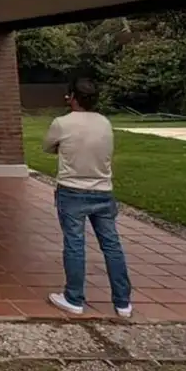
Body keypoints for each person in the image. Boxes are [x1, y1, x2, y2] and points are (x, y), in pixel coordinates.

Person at [41, 77, 133, 318]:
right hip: (103, 189)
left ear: (72, 97)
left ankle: (74, 298)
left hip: (72, 189)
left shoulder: (62, 123)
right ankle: (123, 302)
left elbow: (47, 147)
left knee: (74, 244)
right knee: (111, 245)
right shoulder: (105, 122)